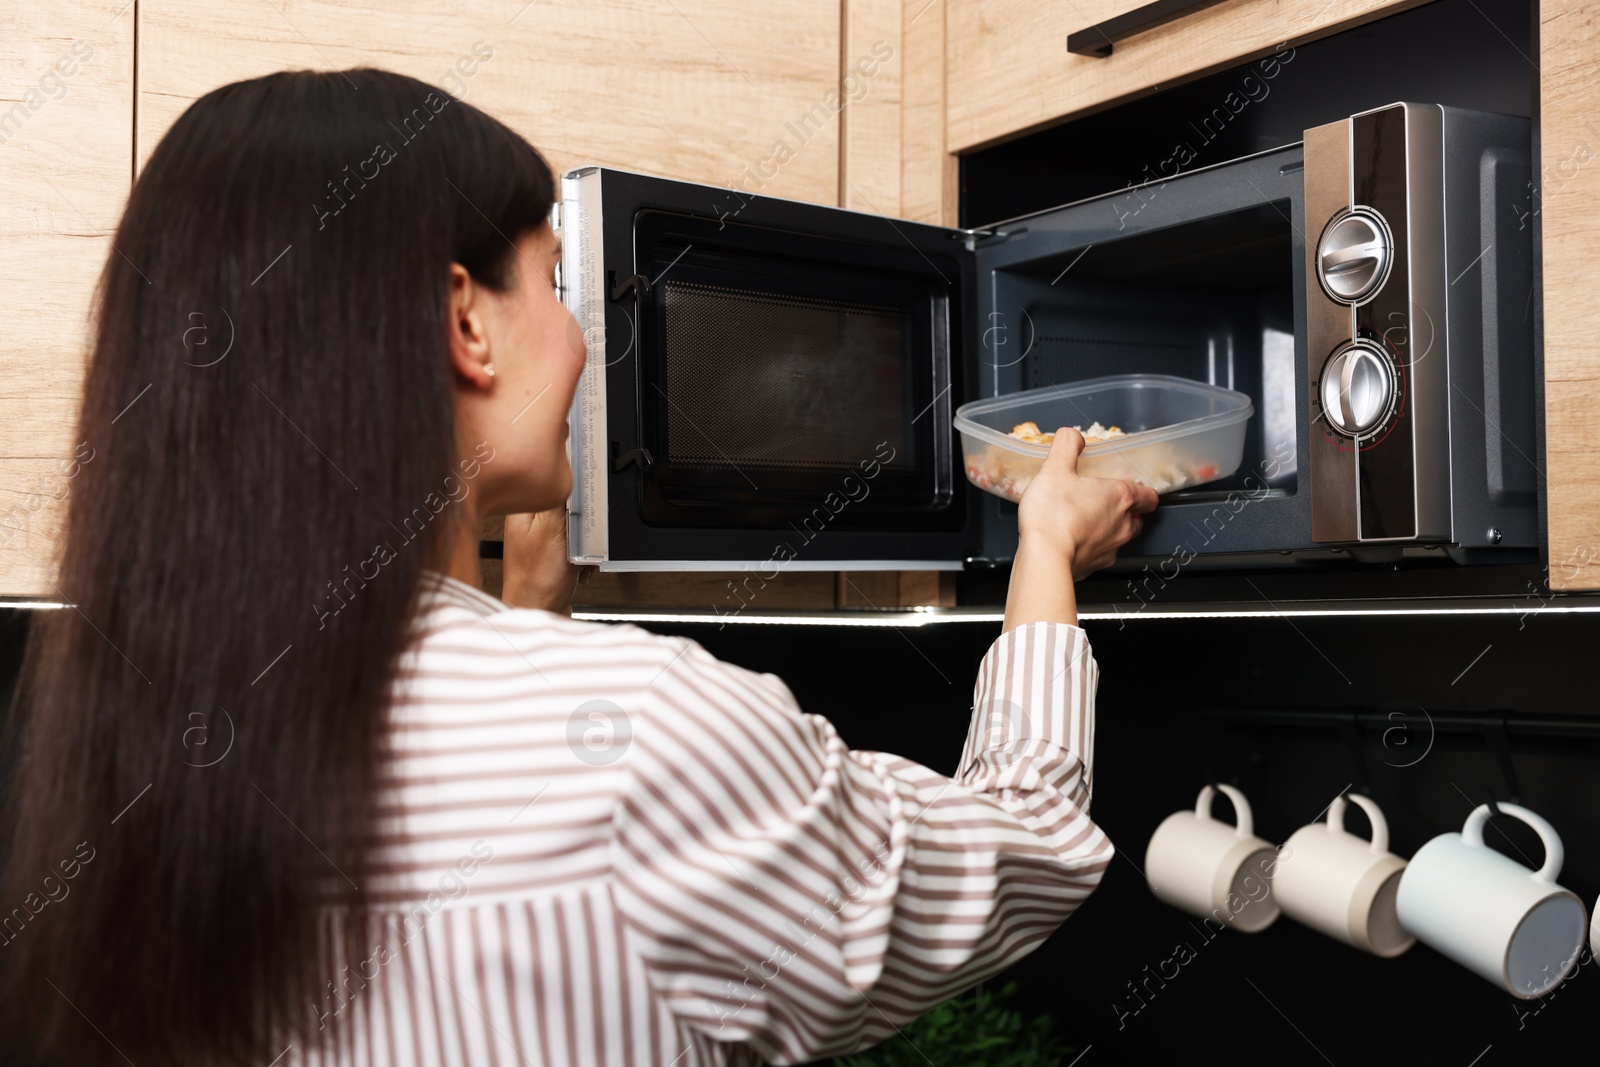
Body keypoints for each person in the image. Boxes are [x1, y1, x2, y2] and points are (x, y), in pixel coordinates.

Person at [0, 69, 1157, 1066]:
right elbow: (1019, 855)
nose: (582, 337)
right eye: (557, 281)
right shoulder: (646, 735)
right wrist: (1048, 546)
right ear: (467, 322)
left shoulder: (125, 740)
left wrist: (529, 609)